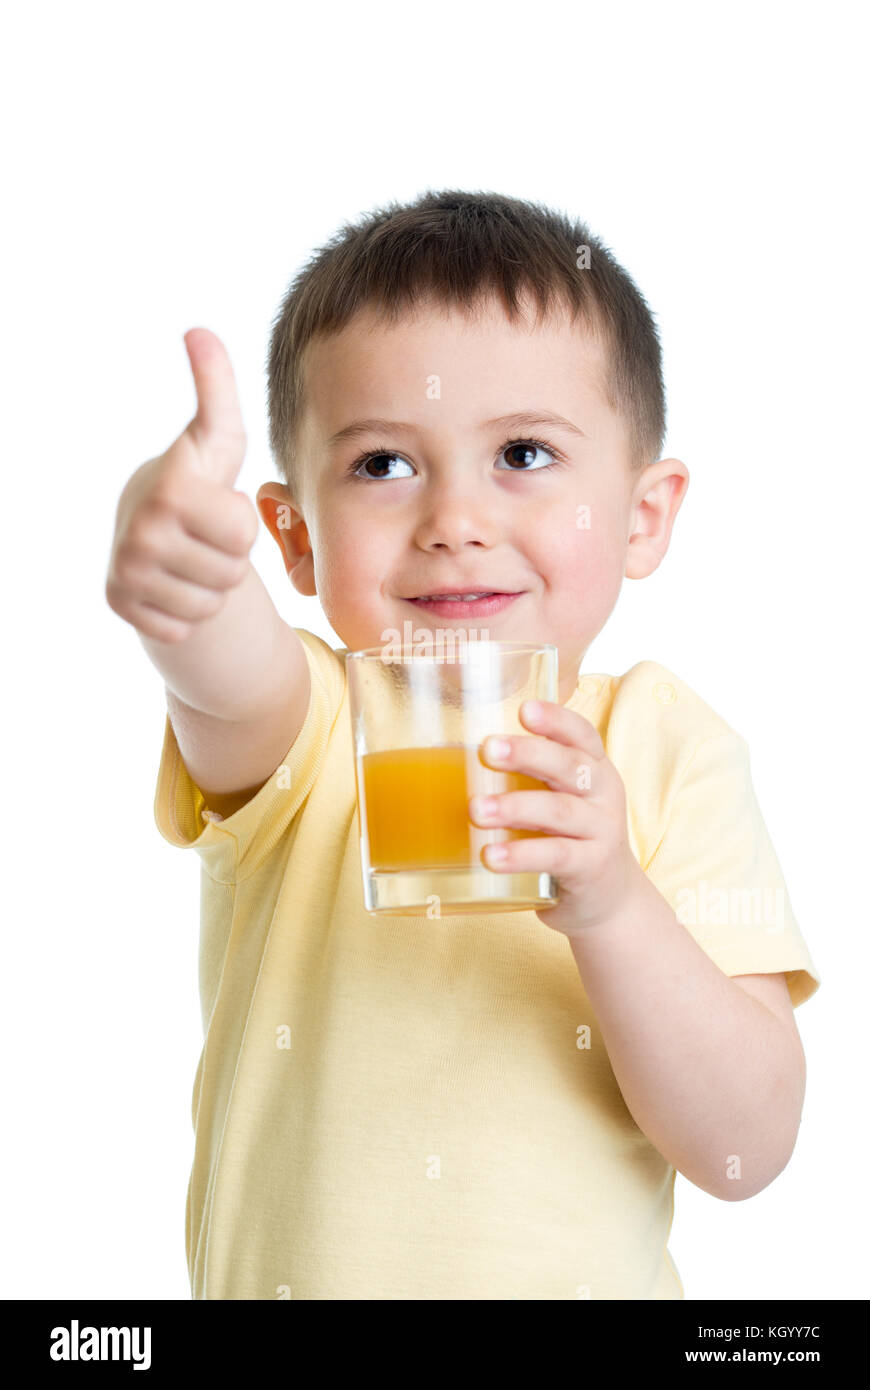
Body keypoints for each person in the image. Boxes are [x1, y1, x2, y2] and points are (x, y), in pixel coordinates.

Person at [106, 189, 820, 1300]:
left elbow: (747, 1144)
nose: (455, 518)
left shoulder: (669, 744)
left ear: (643, 516)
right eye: (384, 464)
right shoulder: (313, 721)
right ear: (293, 537)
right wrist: (185, 580)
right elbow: (222, 668)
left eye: (524, 452)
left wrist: (615, 902)